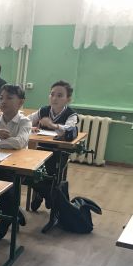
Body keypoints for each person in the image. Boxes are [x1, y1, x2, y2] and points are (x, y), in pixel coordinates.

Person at [0, 84, 31, 239]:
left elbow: (19, 142)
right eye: (1, 98)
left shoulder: (25, 121)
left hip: (16, 167)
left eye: (9, 98)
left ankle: (7, 218)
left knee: (7, 185)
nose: (3, 101)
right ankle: (12, 212)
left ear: (20, 102)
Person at [28, 80, 78, 210]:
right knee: (30, 171)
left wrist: (53, 125)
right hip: (39, 150)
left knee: (50, 172)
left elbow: (69, 129)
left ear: (68, 99)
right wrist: (30, 127)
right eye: (52, 94)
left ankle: (43, 193)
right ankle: (46, 194)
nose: (54, 98)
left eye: (60, 95)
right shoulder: (44, 110)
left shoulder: (71, 114)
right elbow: (26, 121)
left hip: (59, 152)